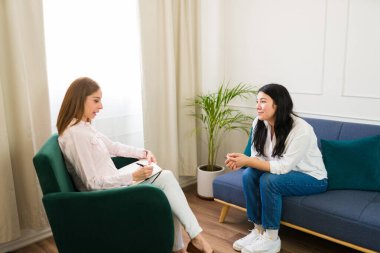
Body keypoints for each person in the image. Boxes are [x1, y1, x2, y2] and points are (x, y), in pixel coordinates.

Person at [56, 77, 213, 253]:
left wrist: (143, 153)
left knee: (166, 187)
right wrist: (133, 176)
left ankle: (182, 247)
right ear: (79, 99)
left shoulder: (83, 127)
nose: (101, 106)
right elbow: (91, 183)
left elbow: (113, 146)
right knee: (166, 179)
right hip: (104, 198)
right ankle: (194, 240)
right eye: (96, 100)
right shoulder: (75, 135)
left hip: (113, 185)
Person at [225, 83, 327, 253]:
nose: (258, 106)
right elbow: (256, 156)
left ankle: (272, 238)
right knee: (249, 175)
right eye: (257, 101)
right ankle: (258, 231)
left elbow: (284, 166)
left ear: (278, 104)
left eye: (263, 101)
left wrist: (247, 161)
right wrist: (242, 161)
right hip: (284, 172)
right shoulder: (258, 122)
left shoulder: (301, 129)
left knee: (269, 180)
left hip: (311, 177)